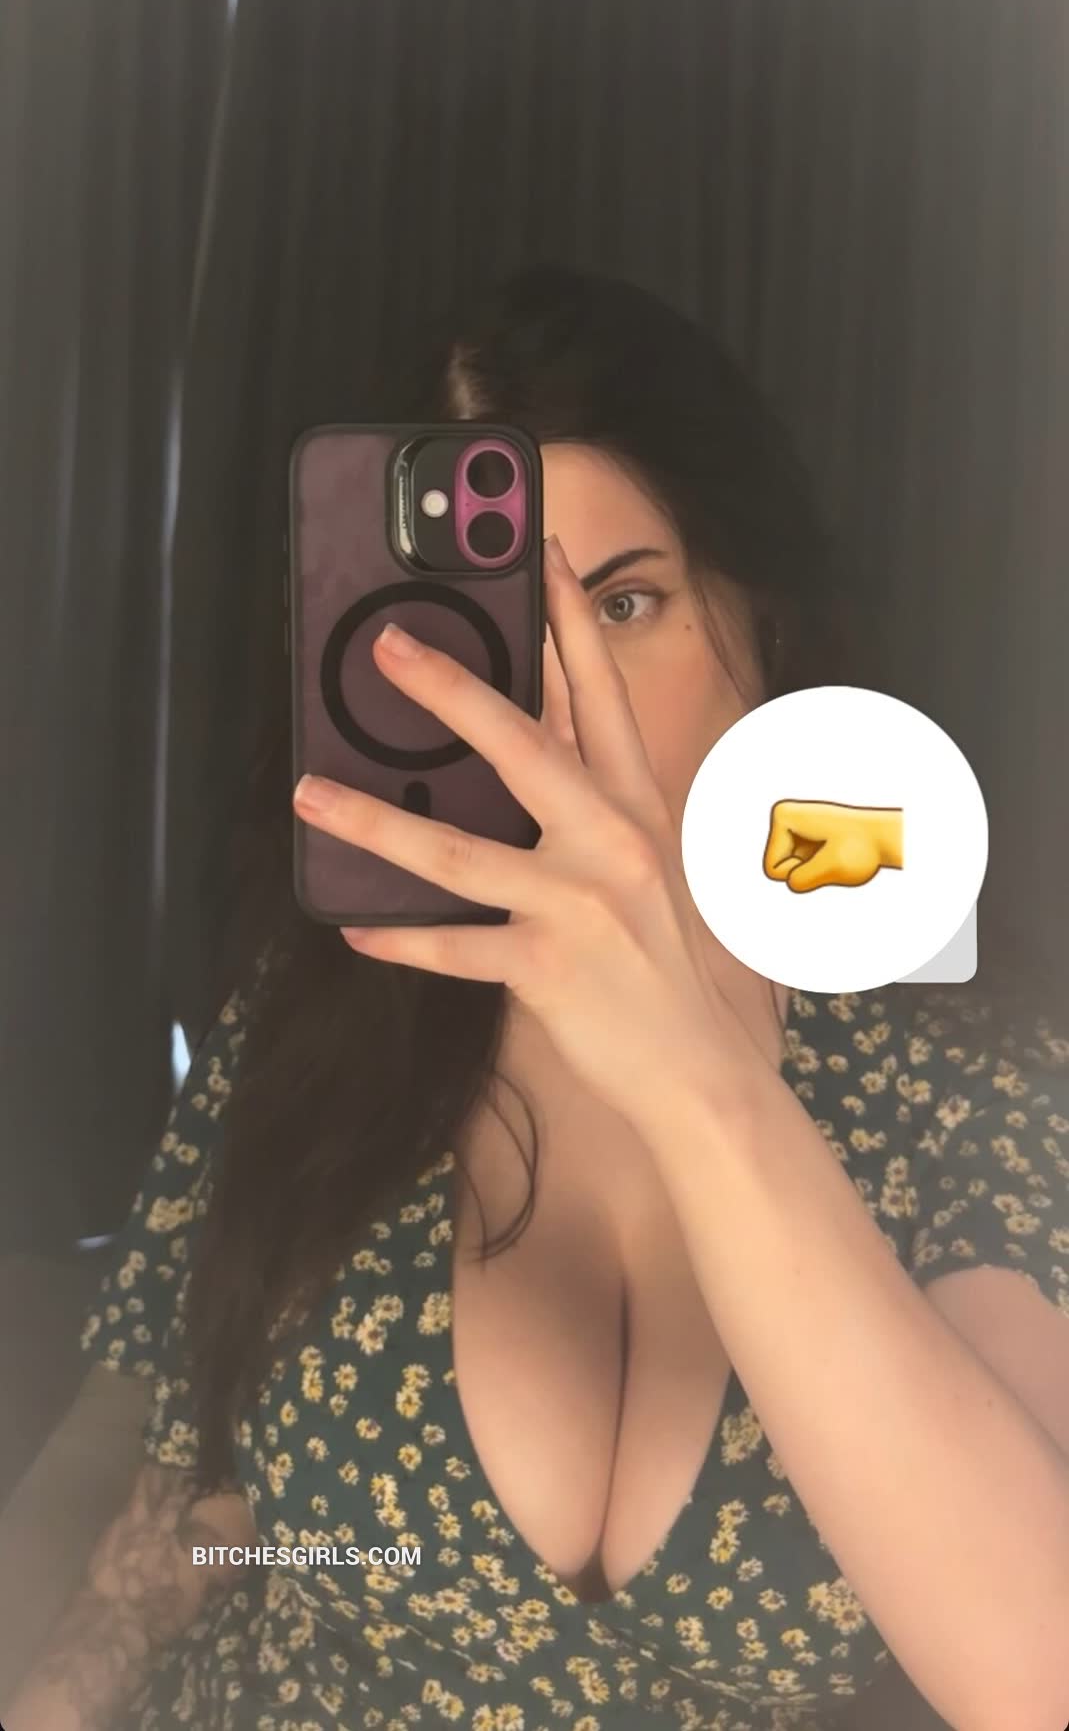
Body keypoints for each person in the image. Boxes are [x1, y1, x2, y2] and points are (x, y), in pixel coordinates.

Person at [5, 265, 1069, 1731]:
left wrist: (699, 1082)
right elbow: (164, 1479)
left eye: (621, 603)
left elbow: (1034, 1669)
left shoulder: (957, 1064)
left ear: (757, 621)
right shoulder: (333, 1004)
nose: (549, 714)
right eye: (475, 638)